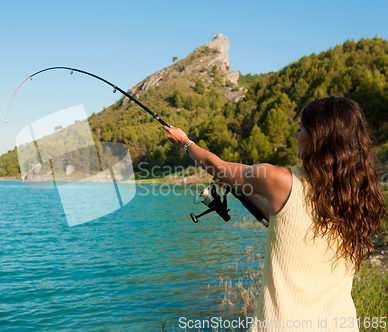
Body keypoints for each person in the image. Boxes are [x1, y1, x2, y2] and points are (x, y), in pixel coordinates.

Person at [163, 96, 386, 331]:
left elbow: (218, 167)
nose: (295, 136)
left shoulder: (279, 180)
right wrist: (245, 192)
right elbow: (286, 221)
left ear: (318, 137)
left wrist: (185, 142)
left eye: (300, 129)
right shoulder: (357, 195)